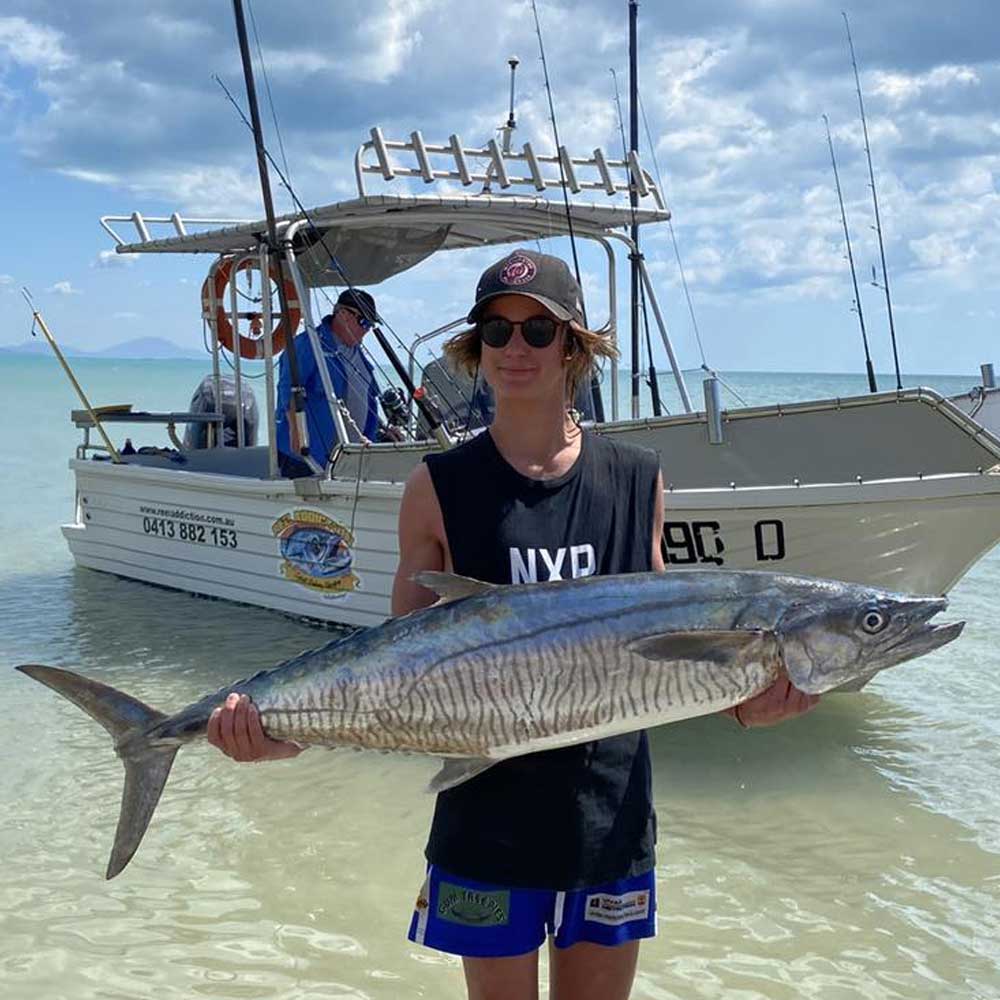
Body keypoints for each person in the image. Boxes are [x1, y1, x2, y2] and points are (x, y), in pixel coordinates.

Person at [207, 250, 820, 1000]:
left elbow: (663, 657)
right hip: (484, 823)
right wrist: (290, 730)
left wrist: (747, 706)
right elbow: (403, 675)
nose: (516, 348)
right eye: (497, 331)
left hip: (610, 820)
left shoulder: (636, 478)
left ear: (572, 344)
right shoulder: (436, 487)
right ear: (476, 348)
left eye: (538, 330)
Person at [275, 288, 380, 477]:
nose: (366, 330)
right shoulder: (308, 344)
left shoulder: (359, 354)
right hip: (307, 458)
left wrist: (383, 430)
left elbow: (366, 396)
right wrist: (296, 430)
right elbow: (288, 388)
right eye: (363, 322)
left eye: (370, 325)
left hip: (350, 459)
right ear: (343, 314)